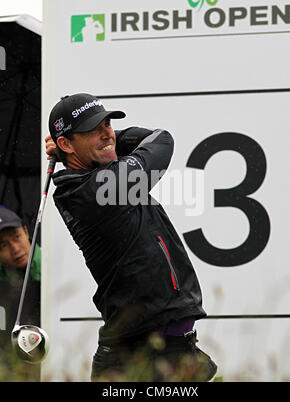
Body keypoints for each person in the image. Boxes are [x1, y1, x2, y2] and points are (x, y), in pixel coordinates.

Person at [46, 93, 217, 382]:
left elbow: (148, 140)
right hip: (139, 356)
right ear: (66, 144)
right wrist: (110, 141)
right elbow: (161, 140)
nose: (105, 132)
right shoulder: (99, 189)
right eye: (92, 129)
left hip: (162, 350)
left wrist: (101, 140)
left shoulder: (102, 177)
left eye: (107, 125)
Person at [0, 206, 41, 381]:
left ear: (26, 232)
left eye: (17, 237)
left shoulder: (52, 266)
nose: (15, 249)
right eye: (3, 245)